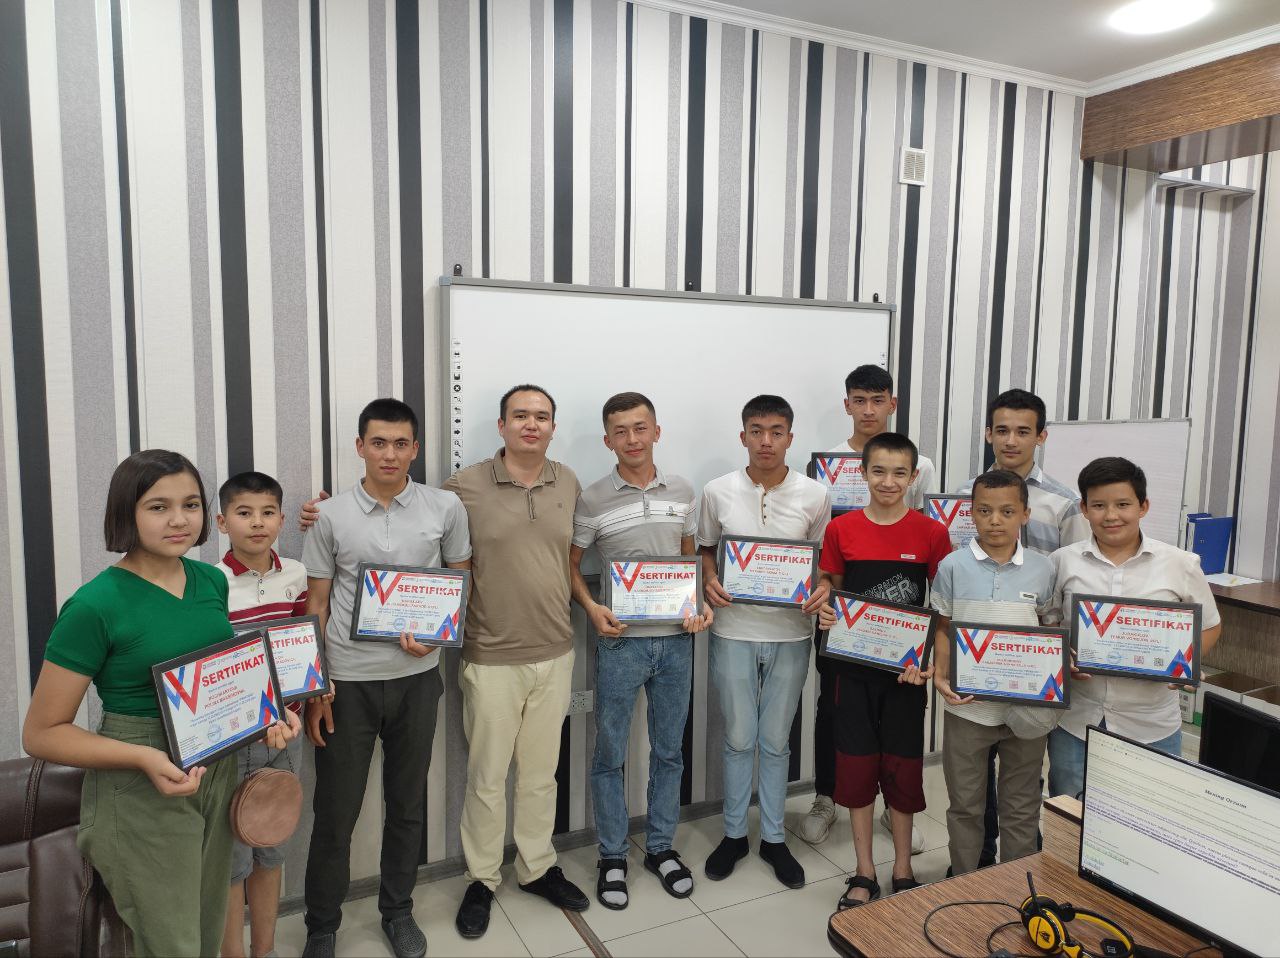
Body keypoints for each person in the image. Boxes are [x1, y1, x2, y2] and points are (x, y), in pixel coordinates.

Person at [22, 449, 298, 957]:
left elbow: (215, 678)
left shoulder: (209, 581)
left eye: (190, 504)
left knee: (208, 925)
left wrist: (264, 713)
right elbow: (41, 733)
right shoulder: (95, 606)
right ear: (126, 513)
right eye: (158, 507)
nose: (179, 520)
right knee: (172, 944)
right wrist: (145, 757)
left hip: (214, 766)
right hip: (140, 778)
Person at [300, 399, 472, 958]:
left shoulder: (445, 507)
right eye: (378, 443)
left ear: (415, 449)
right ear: (360, 447)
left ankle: (397, 911)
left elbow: (459, 582)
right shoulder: (329, 516)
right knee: (336, 812)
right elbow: (316, 606)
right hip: (347, 684)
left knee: (407, 805)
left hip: (417, 679)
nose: (389, 454)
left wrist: (439, 636)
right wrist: (316, 686)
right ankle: (322, 925)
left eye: (401, 444)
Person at [444, 384, 589, 939]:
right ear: (501, 425)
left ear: (553, 426)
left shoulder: (567, 480)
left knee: (539, 775)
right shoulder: (464, 486)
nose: (532, 424)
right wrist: (322, 511)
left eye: (542, 416)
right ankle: (482, 878)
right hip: (491, 655)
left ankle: (537, 867)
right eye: (520, 415)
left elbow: (571, 558)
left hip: (555, 651)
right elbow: (412, 525)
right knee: (486, 776)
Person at [571, 392, 712, 910]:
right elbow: (571, 564)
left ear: (656, 431)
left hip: (676, 643)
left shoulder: (683, 490)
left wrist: (698, 605)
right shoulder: (591, 499)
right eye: (620, 431)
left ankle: (660, 848)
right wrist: (591, 607)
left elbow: (689, 558)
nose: (632, 439)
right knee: (609, 755)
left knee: (669, 751)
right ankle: (612, 856)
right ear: (608, 439)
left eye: (640, 428)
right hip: (620, 644)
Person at [699, 394, 834, 889]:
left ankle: (774, 838)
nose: (766, 441)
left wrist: (823, 588)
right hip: (733, 630)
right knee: (739, 739)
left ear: (790, 438)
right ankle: (735, 835)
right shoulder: (716, 491)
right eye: (756, 431)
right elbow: (705, 549)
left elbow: (823, 563)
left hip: (791, 634)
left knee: (776, 742)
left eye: (776, 432)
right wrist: (709, 579)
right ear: (743, 436)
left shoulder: (815, 495)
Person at [803, 364, 936, 850]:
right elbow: (824, 550)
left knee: (897, 723)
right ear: (847, 405)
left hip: (898, 628)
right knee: (835, 713)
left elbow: (928, 550)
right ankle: (827, 798)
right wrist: (824, 593)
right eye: (859, 400)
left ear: (891, 404)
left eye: (877, 400)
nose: (868, 410)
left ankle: (893, 810)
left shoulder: (922, 468)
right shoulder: (826, 464)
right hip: (844, 619)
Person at [816, 432, 952, 908]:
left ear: (913, 477)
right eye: (878, 471)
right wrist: (825, 606)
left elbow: (942, 609)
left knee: (903, 766)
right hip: (851, 671)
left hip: (905, 675)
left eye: (899, 473)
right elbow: (830, 587)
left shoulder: (932, 533)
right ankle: (864, 870)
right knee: (855, 765)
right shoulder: (842, 529)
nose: (888, 482)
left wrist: (931, 661)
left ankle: (903, 868)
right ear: (863, 473)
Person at [956, 387, 1090, 867]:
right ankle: (975, 864)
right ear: (988, 434)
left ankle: (1020, 868)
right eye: (1002, 430)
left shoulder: (1065, 504)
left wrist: (1068, 654)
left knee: (1024, 777)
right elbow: (953, 572)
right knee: (972, 785)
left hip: (1035, 669)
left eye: (1023, 431)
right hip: (977, 665)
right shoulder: (964, 496)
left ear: (1041, 436)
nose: (1011, 440)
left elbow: (1074, 582)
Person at [1047, 457, 1221, 799]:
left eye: (1123, 504)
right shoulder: (1062, 561)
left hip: (1152, 723)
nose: (1111, 515)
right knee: (1069, 815)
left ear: (1143, 506)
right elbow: (1049, 623)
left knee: (1148, 817)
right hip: (1076, 720)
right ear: (1084, 509)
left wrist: (1186, 664)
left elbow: (1211, 626)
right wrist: (1059, 656)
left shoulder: (1181, 564)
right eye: (1099, 505)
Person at [930, 470, 1056, 876]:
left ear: (1025, 514)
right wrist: (942, 675)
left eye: (1007, 511)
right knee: (966, 805)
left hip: (1027, 710)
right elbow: (943, 627)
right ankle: (964, 885)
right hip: (968, 708)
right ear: (971, 513)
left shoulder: (1043, 568)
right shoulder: (952, 566)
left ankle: (1017, 888)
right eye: (984, 511)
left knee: (1021, 805)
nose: (995, 521)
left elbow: (1050, 629)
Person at [216, 471, 311, 958]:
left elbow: (301, 647)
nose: (257, 523)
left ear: (281, 518)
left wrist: (302, 702)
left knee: (272, 847)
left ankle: (265, 950)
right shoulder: (209, 583)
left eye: (268, 512)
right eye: (244, 513)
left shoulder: (295, 574)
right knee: (231, 859)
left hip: (287, 732)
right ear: (222, 522)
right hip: (233, 740)